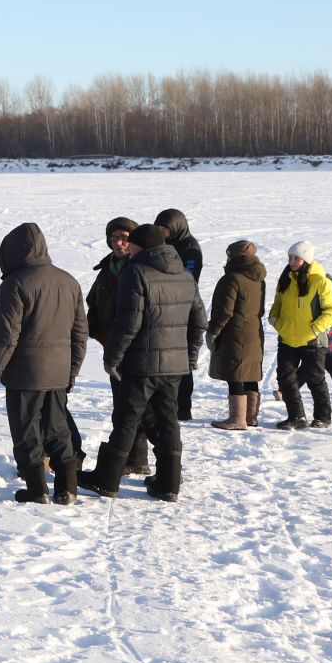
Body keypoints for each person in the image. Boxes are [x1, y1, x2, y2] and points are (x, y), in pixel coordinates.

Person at [83, 223, 207, 500]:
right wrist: (189, 356)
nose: (128, 248)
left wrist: (113, 359)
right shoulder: (185, 276)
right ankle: (168, 483)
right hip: (174, 366)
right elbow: (199, 322)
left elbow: (128, 324)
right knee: (167, 421)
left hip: (140, 365)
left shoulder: (136, 272)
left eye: (133, 243)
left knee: (127, 419)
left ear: (142, 246)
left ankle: (107, 479)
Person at [0, 223, 88, 503]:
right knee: (58, 429)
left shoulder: (14, 285)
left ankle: (37, 489)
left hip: (25, 375)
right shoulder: (69, 281)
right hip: (58, 372)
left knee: (27, 432)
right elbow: (79, 334)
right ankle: (68, 487)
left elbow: (4, 339)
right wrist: (71, 371)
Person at [83, 218, 150, 478]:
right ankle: (131, 458)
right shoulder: (107, 268)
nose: (118, 243)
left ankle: (137, 458)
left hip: (139, 348)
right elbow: (94, 305)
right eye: (113, 239)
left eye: (123, 238)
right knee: (121, 405)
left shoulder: (143, 267)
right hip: (114, 348)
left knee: (137, 407)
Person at [268, 240, 332, 431]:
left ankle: (323, 417)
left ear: (306, 259)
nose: (292, 262)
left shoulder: (320, 281)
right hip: (287, 339)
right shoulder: (286, 278)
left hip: (312, 341)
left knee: (315, 380)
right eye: (290, 258)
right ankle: (296, 416)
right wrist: (275, 320)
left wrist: (315, 329)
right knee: (285, 378)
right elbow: (277, 304)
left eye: (296, 258)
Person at [205, 239, 266, 430]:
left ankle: (237, 419)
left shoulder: (232, 279)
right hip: (254, 332)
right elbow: (261, 309)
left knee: (236, 374)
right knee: (249, 374)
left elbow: (223, 311)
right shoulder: (259, 279)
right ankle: (251, 417)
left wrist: (213, 331)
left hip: (235, 334)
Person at [156, 209, 204, 421]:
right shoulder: (162, 244)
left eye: (165, 228)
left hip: (184, 306)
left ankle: (183, 406)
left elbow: (190, 277)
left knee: (182, 360)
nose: (162, 232)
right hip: (164, 305)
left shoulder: (190, 248)